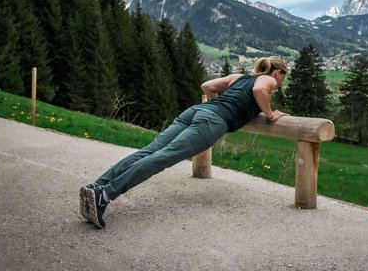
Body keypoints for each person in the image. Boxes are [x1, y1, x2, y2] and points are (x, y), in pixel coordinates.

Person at [80, 56, 289, 228]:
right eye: (281, 79)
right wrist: (270, 115)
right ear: (277, 72)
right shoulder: (267, 80)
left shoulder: (239, 77)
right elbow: (259, 90)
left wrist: (217, 104)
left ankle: (97, 186)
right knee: (163, 157)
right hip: (211, 122)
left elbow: (207, 86)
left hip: (197, 111)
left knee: (151, 150)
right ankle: (105, 194)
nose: (279, 84)